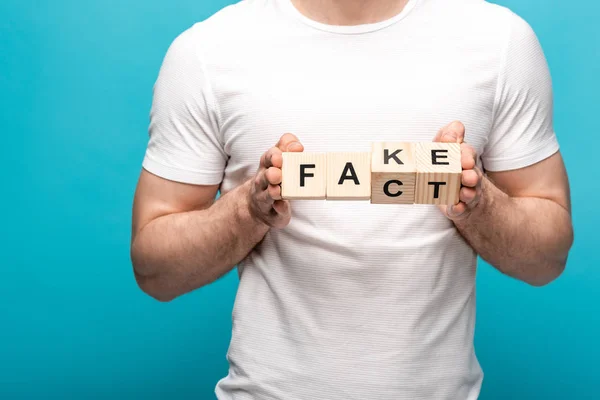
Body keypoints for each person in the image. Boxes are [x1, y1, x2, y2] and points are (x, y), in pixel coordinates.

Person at [130, 0, 574, 398]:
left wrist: (478, 203)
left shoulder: (499, 41)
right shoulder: (207, 52)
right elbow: (155, 270)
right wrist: (249, 208)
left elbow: (548, 256)